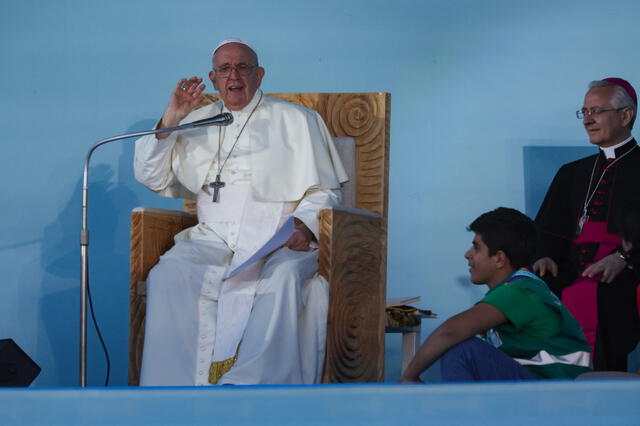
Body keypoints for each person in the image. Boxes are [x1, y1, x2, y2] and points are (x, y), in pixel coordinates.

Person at [133, 38, 348, 386]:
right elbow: (151, 175)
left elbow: (326, 190)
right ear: (213, 78)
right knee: (169, 274)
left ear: (259, 74)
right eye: (224, 68)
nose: (234, 74)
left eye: (243, 66)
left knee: (281, 279)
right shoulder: (193, 121)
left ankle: (253, 388)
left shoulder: (298, 119)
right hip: (214, 236)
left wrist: (304, 227)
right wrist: (172, 117)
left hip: (279, 237)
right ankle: (171, 390)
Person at [400, 207, 591, 383]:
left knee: (460, 347)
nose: (468, 254)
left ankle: (460, 418)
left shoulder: (519, 290)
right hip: (541, 391)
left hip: (554, 399)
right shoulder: (521, 287)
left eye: (476, 247)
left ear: (499, 258)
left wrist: (408, 377)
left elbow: (450, 331)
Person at [534, 78, 640, 371]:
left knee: (606, 300)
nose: (588, 120)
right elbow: (547, 231)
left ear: (625, 115)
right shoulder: (572, 173)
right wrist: (543, 255)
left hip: (623, 275)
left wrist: (624, 258)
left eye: (596, 111)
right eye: (584, 112)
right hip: (570, 271)